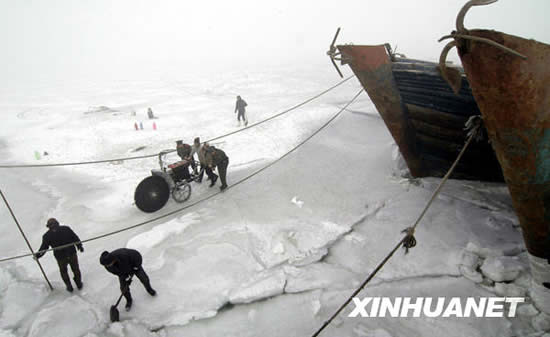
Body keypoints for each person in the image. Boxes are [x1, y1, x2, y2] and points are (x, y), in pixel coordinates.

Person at [34, 218, 84, 292]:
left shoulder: (50, 234)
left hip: (67, 254)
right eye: (52, 225)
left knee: (70, 270)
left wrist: (79, 246)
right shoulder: (50, 235)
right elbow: (44, 247)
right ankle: (72, 285)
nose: (54, 227)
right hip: (65, 255)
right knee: (69, 270)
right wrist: (38, 255)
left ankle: (75, 284)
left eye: (54, 225)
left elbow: (74, 237)